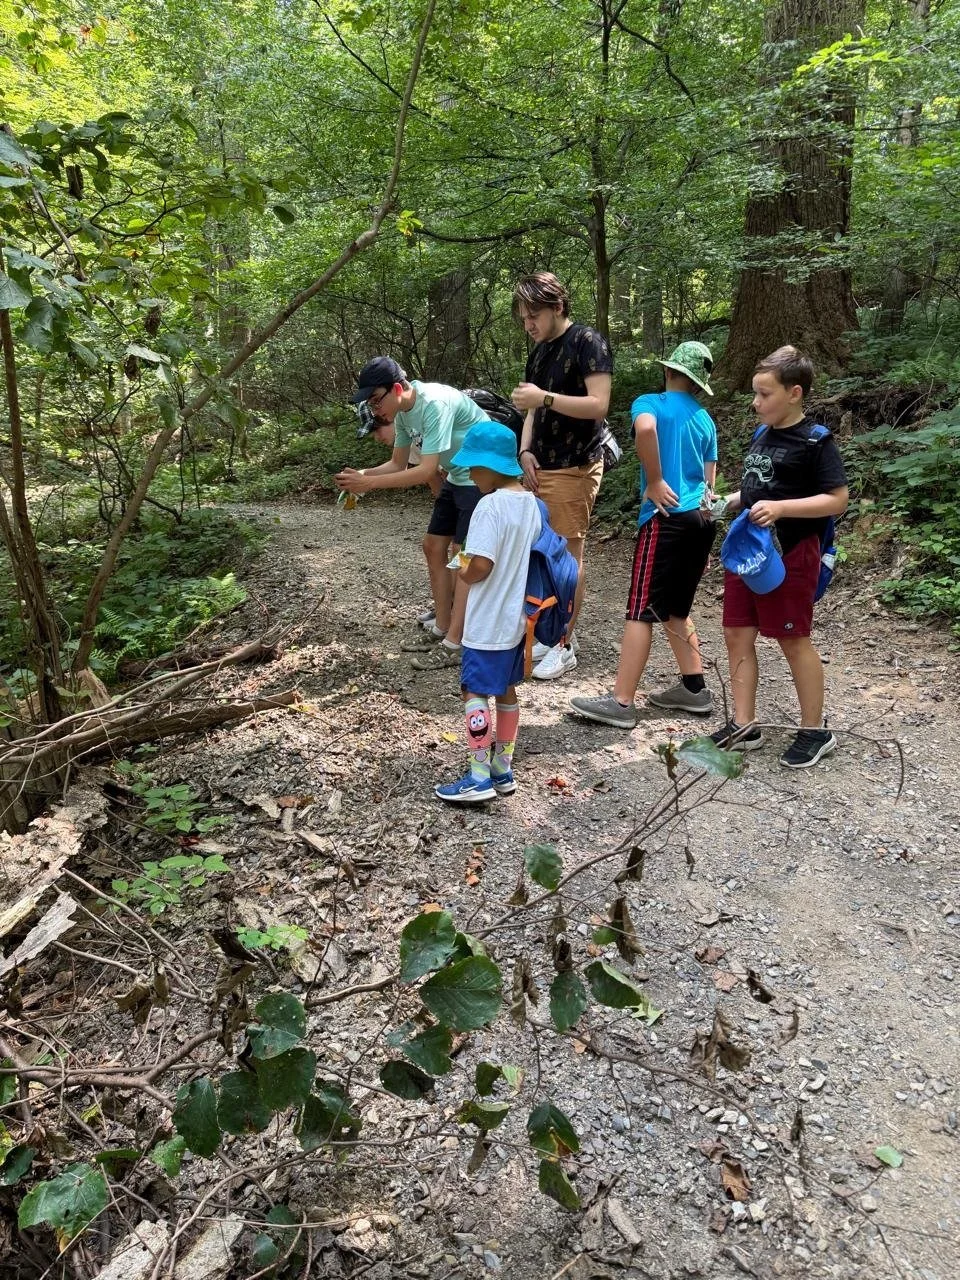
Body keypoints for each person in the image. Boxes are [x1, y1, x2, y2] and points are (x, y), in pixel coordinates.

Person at [709, 345, 848, 769]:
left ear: (795, 393)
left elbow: (837, 500)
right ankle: (744, 724)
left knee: (791, 638)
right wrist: (728, 501)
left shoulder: (815, 441)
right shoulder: (761, 434)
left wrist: (784, 509)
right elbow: (758, 488)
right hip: (749, 548)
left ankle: (814, 730)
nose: (756, 403)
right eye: (755, 393)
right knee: (737, 631)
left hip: (791, 552)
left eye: (765, 394)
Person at [569, 342, 719, 729]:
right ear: (699, 383)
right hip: (700, 520)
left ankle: (621, 702)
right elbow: (709, 484)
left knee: (640, 610)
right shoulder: (705, 419)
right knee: (675, 610)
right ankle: (694, 688)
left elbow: (646, 429)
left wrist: (654, 480)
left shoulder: (649, 402)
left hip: (665, 516)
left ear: (668, 371)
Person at [336, 357, 489, 671]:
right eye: (370, 404)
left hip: (481, 478)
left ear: (396, 388)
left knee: (463, 556)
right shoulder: (403, 412)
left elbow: (426, 470)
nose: (376, 411)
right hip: (457, 476)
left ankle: (456, 642)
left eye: (376, 401)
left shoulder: (434, 403)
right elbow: (397, 463)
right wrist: (360, 477)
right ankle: (442, 627)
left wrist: (370, 483)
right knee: (433, 546)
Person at [510, 272, 612, 680]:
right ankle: (543, 628)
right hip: (541, 464)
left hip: (577, 462)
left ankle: (564, 642)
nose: (529, 325)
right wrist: (524, 451)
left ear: (557, 307)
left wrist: (545, 397)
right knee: (535, 551)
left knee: (569, 556)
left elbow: (599, 405)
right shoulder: (539, 351)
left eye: (534, 315)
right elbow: (532, 411)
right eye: (523, 318)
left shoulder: (589, 342)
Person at [434, 421, 540, 804]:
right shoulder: (531, 503)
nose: (469, 474)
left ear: (492, 466)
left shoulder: (489, 506)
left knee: (473, 690)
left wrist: (460, 566)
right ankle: (502, 768)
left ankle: (478, 775)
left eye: (473, 467)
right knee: (507, 690)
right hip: (514, 620)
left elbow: (480, 566)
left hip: (486, 621)